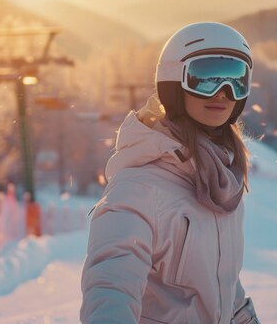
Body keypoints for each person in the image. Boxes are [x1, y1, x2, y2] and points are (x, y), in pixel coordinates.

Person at [80, 22, 259, 324]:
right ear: (174, 84)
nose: (223, 93)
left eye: (236, 80)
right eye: (206, 77)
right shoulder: (138, 186)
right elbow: (111, 286)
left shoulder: (222, 183)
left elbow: (220, 282)